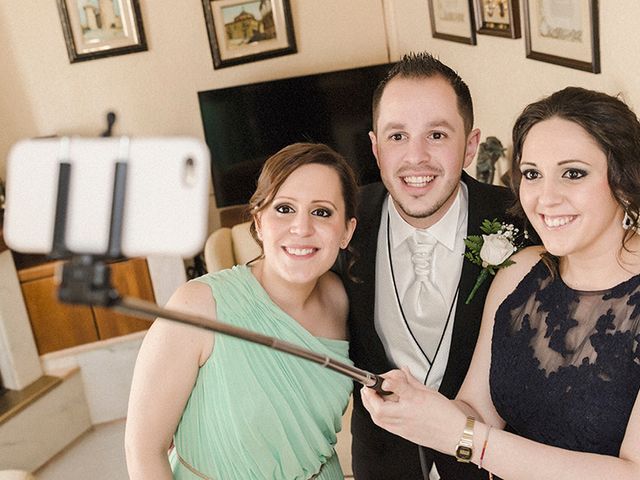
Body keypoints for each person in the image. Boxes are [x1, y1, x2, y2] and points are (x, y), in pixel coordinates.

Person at [361, 87, 640, 480]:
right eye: (532, 174)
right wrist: (420, 408)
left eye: (573, 173)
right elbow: (476, 411)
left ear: (625, 181)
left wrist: (468, 438)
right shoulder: (519, 272)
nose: (545, 197)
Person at [340, 52, 526, 479]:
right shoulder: (341, 223)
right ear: (375, 147)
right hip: (384, 467)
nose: (416, 157)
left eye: (437, 135)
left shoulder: (524, 223)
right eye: (398, 136)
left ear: (471, 146)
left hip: (494, 468)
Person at [125, 143, 358, 479]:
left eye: (321, 212)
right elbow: (142, 449)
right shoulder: (198, 305)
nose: (302, 228)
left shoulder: (342, 300)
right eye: (284, 209)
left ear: (346, 231)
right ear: (259, 221)